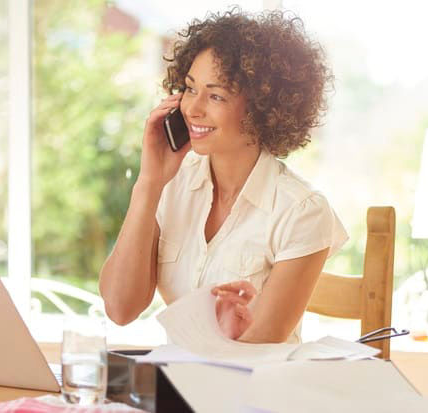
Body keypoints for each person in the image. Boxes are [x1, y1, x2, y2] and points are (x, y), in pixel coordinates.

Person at [99, 9, 348, 344]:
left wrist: (232, 326)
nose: (193, 108)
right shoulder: (171, 184)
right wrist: (149, 183)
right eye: (189, 89)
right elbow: (120, 308)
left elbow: (262, 342)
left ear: (262, 108)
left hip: (255, 390)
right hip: (178, 384)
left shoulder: (302, 210)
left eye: (216, 95)